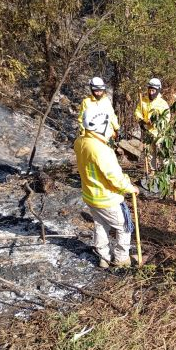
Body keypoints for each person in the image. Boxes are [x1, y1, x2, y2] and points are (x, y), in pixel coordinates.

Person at [74, 107, 139, 268]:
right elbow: (114, 177)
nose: (110, 128)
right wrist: (129, 187)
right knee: (124, 227)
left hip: (90, 196)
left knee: (101, 225)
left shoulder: (80, 142)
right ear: (100, 126)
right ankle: (121, 259)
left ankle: (103, 257)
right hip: (107, 198)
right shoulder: (101, 150)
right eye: (107, 124)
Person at [134, 78, 170, 172]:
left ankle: (165, 172)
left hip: (160, 132)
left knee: (162, 152)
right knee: (150, 153)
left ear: (158, 90)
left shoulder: (162, 103)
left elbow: (167, 117)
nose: (151, 92)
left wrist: (155, 122)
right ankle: (152, 171)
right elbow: (138, 112)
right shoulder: (143, 101)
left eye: (153, 90)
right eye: (150, 90)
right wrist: (141, 121)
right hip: (148, 131)